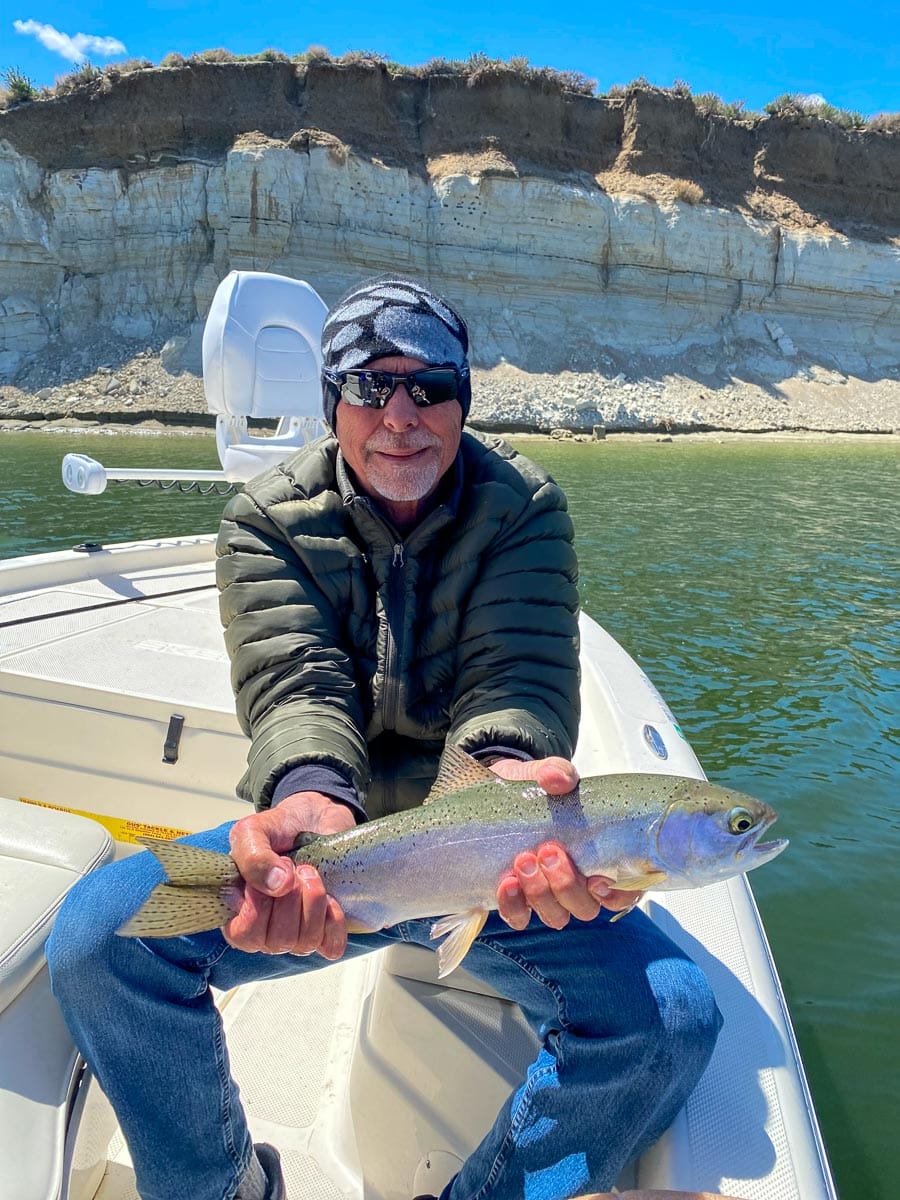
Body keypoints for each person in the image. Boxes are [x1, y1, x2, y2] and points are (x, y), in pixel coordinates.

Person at [47, 276, 722, 1200]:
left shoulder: (523, 507)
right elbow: (298, 689)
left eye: (430, 386)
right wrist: (309, 803)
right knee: (98, 937)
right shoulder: (265, 520)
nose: (400, 413)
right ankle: (222, 1186)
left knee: (674, 1020)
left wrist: (504, 791)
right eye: (370, 385)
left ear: (461, 400)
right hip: (340, 850)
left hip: (496, 857)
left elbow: (514, 684)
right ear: (334, 402)